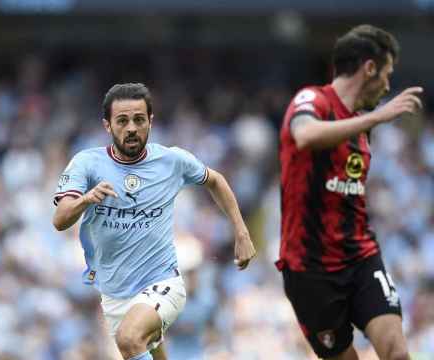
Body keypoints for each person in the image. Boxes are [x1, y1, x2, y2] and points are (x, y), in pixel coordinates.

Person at [52, 83, 256, 360]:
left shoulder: (172, 160)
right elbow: (60, 219)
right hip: (114, 295)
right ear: (107, 126)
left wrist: (241, 231)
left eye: (138, 119)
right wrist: (86, 199)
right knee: (144, 349)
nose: (132, 128)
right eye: (122, 121)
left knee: (130, 338)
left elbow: (215, 180)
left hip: (162, 283)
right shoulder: (86, 164)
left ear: (150, 121)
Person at [278, 24, 422, 360]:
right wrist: (378, 118)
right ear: (369, 68)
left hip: (360, 256)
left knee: (397, 353)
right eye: (386, 74)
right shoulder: (312, 99)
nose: (387, 86)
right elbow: (306, 135)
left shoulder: (359, 128)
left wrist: (370, 121)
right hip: (309, 269)